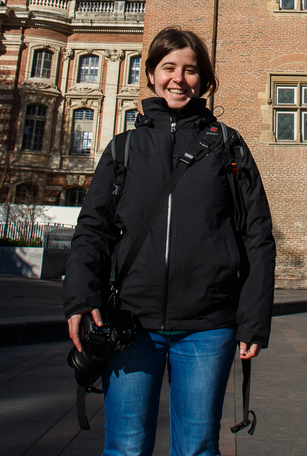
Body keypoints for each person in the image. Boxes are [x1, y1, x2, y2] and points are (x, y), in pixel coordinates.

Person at [63, 27, 276, 456]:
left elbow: (257, 235)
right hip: (130, 324)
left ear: (205, 80)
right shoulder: (123, 149)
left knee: (196, 447)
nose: (179, 79)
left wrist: (253, 318)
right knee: (125, 447)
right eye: (169, 68)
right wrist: (80, 298)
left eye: (191, 70)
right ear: (152, 74)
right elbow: (94, 230)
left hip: (207, 325)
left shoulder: (228, 146)